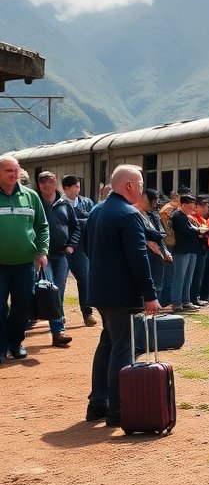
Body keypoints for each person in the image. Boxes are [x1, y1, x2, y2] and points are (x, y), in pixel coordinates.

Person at [84, 164, 160, 427]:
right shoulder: (129, 214)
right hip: (121, 295)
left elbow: (87, 247)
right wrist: (150, 295)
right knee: (122, 348)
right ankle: (117, 408)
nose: (142, 189)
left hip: (100, 292)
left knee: (107, 344)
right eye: (140, 184)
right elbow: (139, 259)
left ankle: (97, 404)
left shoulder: (95, 210)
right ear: (129, 185)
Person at [0, 155, 49, 363]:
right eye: (8, 170)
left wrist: (42, 250)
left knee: (23, 306)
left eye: (16, 170)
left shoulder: (31, 196)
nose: (14, 174)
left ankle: (15, 342)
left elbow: (42, 226)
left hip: (24, 265)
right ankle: (1, 346)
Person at [37, 171, 78, 346]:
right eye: (43, 182)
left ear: (56, 184)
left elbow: (75, 227)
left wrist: (71, 245)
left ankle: (57, 331)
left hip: (61, 255)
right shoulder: (35, 202)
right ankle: (57, 329)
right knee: (50, 290)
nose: (47, 185)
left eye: (51, 181)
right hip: (42, 256)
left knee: (58, 292)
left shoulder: (65, 204)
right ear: (39, 185)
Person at [62, 175, 98, 327]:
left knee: (84, 280)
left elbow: (93, 219)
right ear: (66, 188)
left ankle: (87, 312)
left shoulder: (87, 202)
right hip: (63, 249)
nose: (78, 189)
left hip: (81, 248)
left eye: (78, 187)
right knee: (60, 282)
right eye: (75, 187)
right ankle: (58, 315)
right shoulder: (60, 204)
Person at [168, 194, 205, 312]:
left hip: (190, 250)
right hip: (181, 250)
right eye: (191, 204)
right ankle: (176, 302)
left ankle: (186, 301)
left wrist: (198, 230)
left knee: (188, 277)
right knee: (179, 277)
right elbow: (186, 230)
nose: (194, 206)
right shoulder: (178, 216)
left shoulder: (188, 216)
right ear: (183, 204)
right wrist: (199, 230)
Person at [137, 189, 172, 299]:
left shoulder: (153, 215)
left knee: (158, 285)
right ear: (143, 197)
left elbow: (161, 235)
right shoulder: (134, 214)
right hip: (144, 253)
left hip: (157, 254)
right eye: (152, 200)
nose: (154, 204)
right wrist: (147, 242)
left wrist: (165, 250)